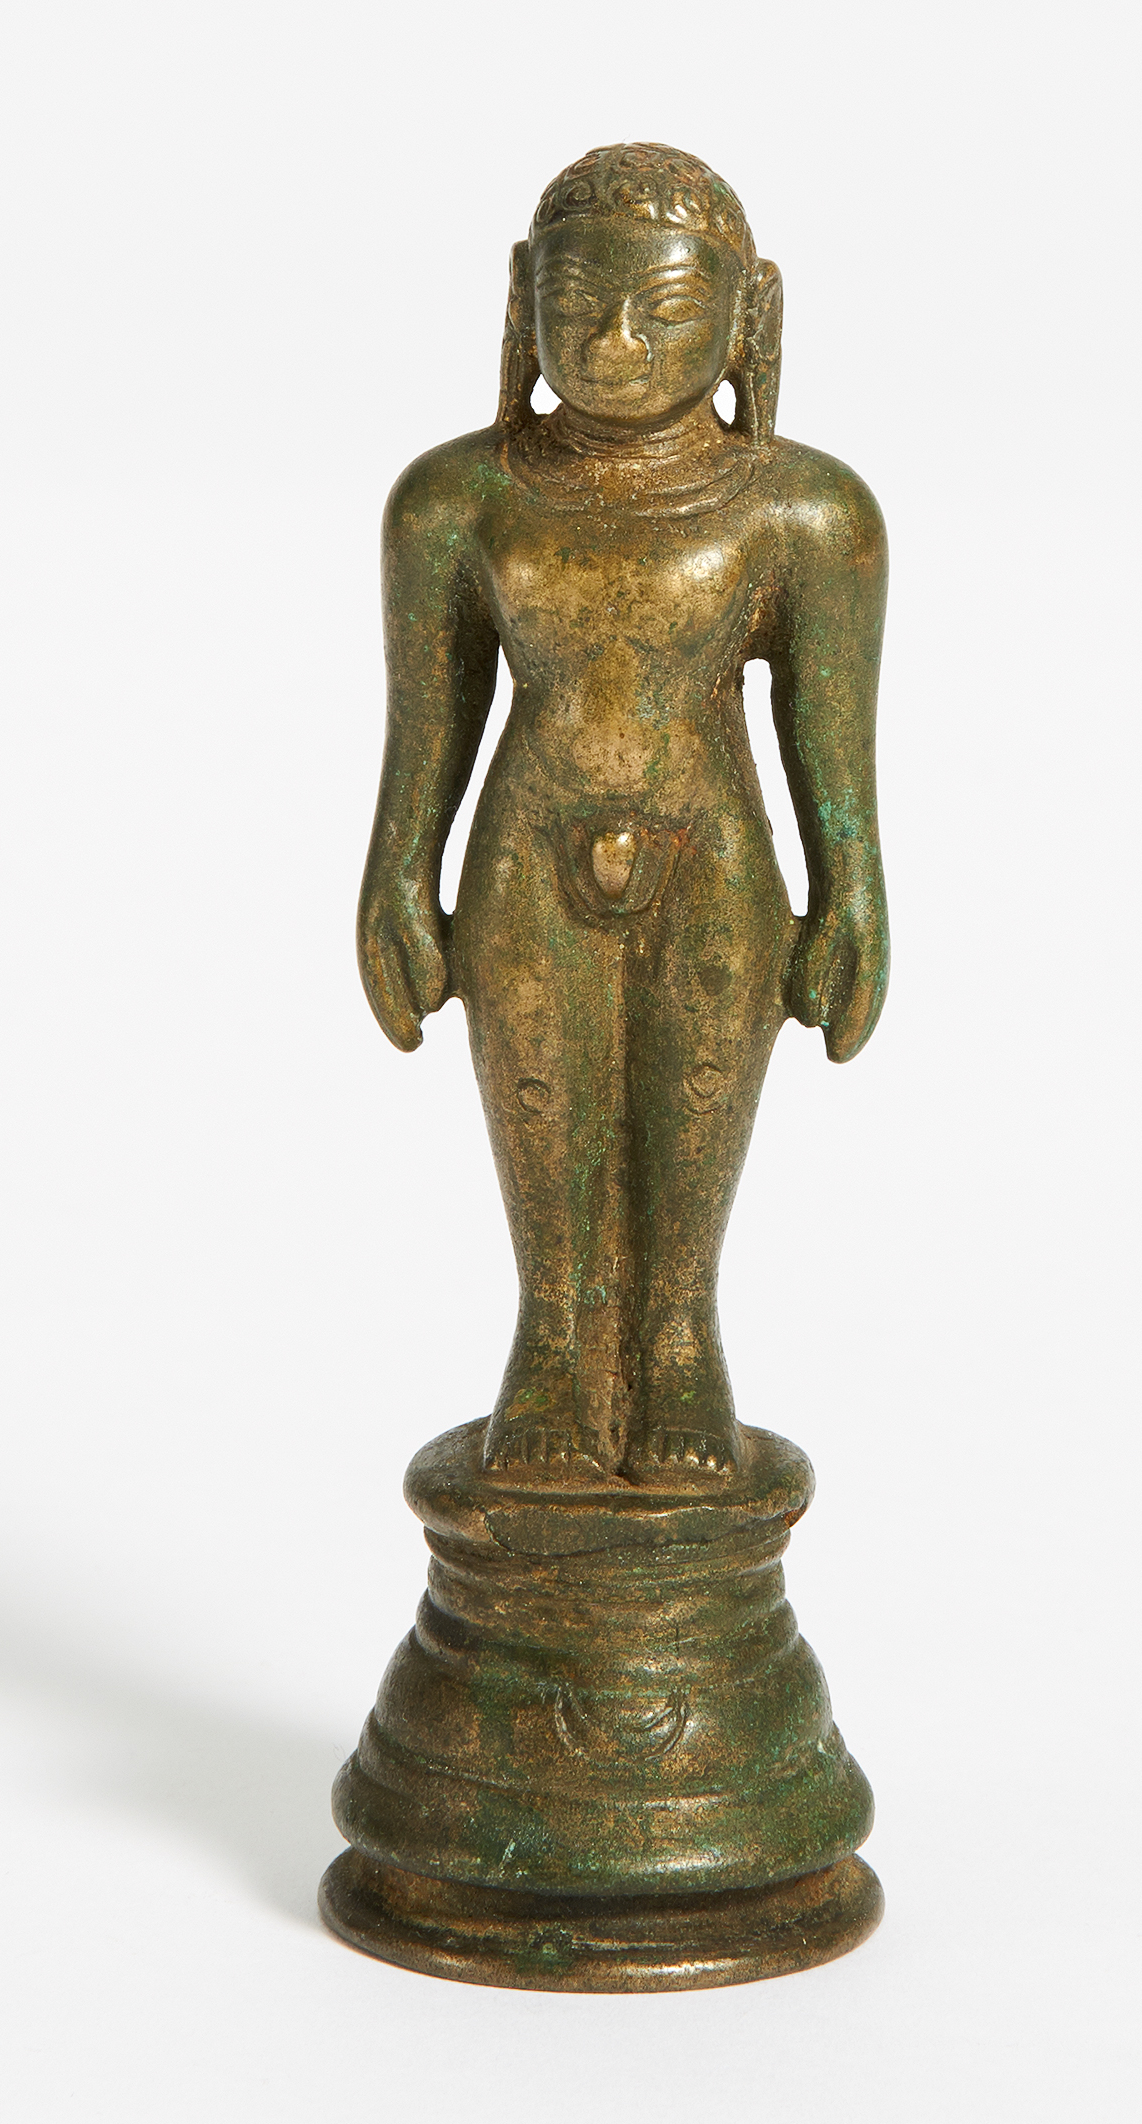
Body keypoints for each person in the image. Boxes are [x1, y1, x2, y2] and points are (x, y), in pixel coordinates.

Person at [356, 143, 890, 1487]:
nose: (614, 342)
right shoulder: (456, 499)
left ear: (746, 317)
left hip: (711, 854)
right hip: (526, 850)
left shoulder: (804, 512)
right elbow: (429, 722)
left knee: (685, 1106)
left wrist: (853, 895)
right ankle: (550, 1345)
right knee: (545, 1104)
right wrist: (395, 876)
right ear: (521, 301)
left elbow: (831, 746)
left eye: (664, 310)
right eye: (580, 305)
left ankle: (674, 1341)